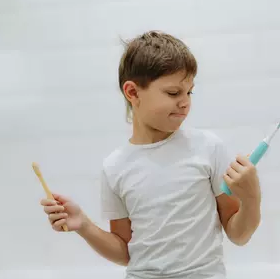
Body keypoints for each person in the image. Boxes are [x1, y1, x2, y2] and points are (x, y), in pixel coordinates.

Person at [41, 31, 261, 279]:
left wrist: (252, 199)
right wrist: (83, 225)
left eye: (189, 92)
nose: (185, 102)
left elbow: (238, 235)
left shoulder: (208, 148)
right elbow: (126, 252)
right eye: (173, 93)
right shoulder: (115, 167)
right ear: (133, 93)